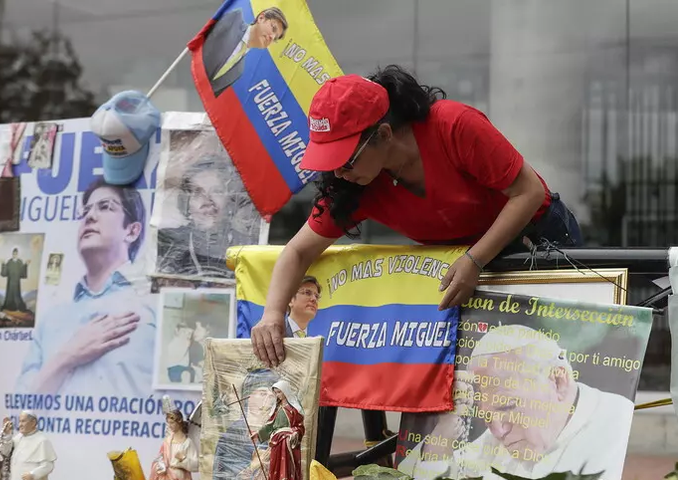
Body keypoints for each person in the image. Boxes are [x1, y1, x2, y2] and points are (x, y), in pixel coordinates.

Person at [250, 65, 584, 367]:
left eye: (346, 160)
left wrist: (475, 259)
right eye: (329, 161)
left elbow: (528, 193)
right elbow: (298, 251)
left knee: (560, 359)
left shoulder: (454, 125)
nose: (338, 173)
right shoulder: (354, 186)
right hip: (463, 270)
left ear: (384, 134)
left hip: (536, 242)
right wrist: (273, 315)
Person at [397, 325, 632, 480]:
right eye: (486, 416)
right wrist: (442, 437)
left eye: (508, 406)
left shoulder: (619, 424)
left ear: (558, 381)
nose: (498, 431)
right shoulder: (492, 442)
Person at [15, 179, 156, 398]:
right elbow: (20, 408)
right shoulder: (52, 320)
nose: (90, 216)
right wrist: (67, 356)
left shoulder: (155, 306)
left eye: (105, 207)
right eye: (85, 211)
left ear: (132, 231)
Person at [157, 156, 259, 280]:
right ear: (186, 203)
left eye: (217, 191)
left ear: (230, 201)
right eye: (197, 192)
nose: (207, 201)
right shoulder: (167, 242)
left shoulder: (250, 246)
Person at [202, 7, 288, 97]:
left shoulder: (238, 71)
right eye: (273, 28)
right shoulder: (234, 19)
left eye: (275, 38)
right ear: (261, 18)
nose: (272, 37)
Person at [213, 369, 279, 480]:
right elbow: (222, 474)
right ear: (248, 396)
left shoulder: (276, 432)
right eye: (262, 393)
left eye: (272, 395)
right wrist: (252, 466)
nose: (268, 399)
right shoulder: (232, 436)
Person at [250, 380, 305, 480]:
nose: (277, 395)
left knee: (287, 467)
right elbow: (270, 426)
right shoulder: (277, 408)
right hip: (276, 442)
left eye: (279, 392)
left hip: (287, 442)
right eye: (275, 392)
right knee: (275, 466)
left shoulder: (294, 409)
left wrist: (295, 433)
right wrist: (258, 434)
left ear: (285, 391)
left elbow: (300, 426)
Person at [149, 410, 199, 480]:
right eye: (168, 423)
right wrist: (160, 466)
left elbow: (196, 466)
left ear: (179, 422)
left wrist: (183, 458)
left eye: (172, 423)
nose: (169, 425)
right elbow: (159, 459)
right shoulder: (167, 442)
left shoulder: (187, 443)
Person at [10, 411, 57, 480]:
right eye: (19, 421)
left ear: (33, 422)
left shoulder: (42, 441)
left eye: (23, 421)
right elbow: (6, 450)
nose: (20, 425)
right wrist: (6, 435)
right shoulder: (18, 437)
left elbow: (48, 466)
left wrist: (33, 474)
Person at [0, 248, 30, 312]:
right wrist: (3, 264)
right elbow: (4, 273)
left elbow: (22, 273)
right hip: (10, 282)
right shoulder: (9, 262)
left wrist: (26, 265)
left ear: (17, 254)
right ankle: (8, 307)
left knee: (17, 295)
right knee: (9, 295)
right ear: (12, 254)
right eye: (13, 254)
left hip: (17, 283)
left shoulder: (20, 262)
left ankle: (18, 307)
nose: (14, 255)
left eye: (16, 254)